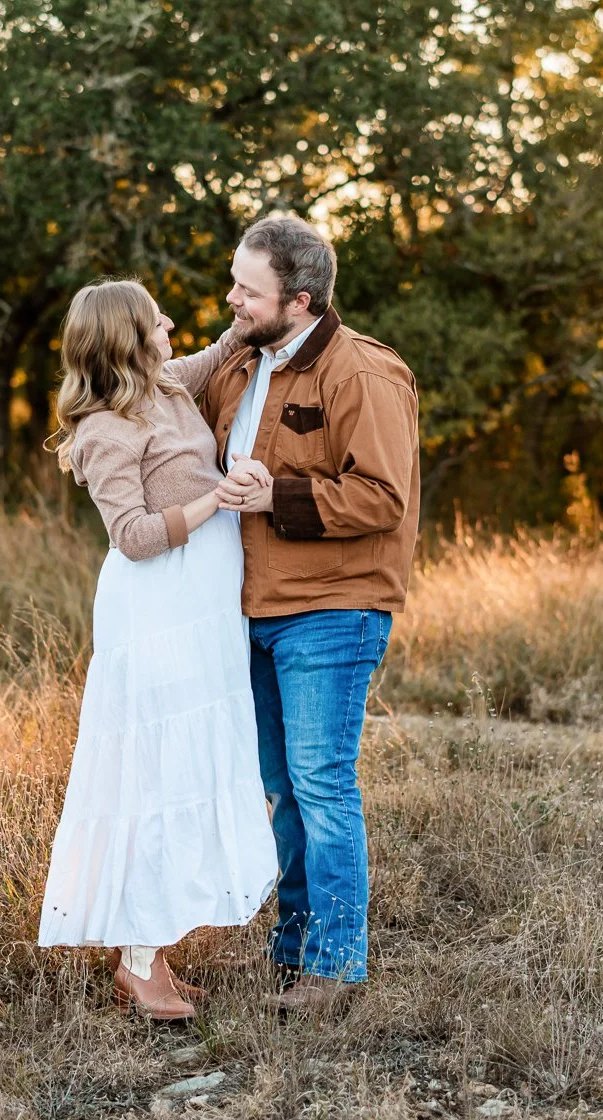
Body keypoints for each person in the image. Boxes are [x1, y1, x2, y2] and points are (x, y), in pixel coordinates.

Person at [37, 279, 278, 1021]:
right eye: (154, 318)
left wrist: (263, 302)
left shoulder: (169, 386)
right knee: (154, 777)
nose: (169, 322)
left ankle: (154, 958)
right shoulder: (107, 428)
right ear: (127, 340)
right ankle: (137, 963)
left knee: (185, 770)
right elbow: (134, 538)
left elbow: (231, 345)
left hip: (201, 610)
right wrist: (218, 500)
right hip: (158, 609)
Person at [206, 216, 421, 1015]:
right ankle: (293, 955)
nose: (231, 299)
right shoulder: (239, 365)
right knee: (283, 789)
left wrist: (277, 495)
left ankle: (336, 970)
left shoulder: (362, 373)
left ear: (297, 301)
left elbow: (383, 495)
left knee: (323, 786)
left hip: (333, 608)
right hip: (252, 610)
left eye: (246, 290)